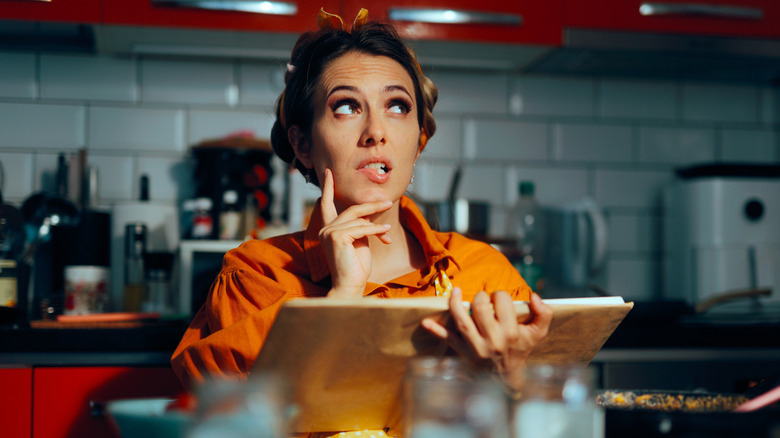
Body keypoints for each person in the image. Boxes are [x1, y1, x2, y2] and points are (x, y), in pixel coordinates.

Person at [171, 7, 552, 437]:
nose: (376, 131)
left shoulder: (485, 275)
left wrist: (510, 382)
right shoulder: (254, 278)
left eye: (397, 106)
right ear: (303, 145)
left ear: (419, 139)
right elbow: (233, 428)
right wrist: (342, 298)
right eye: (347, 106)